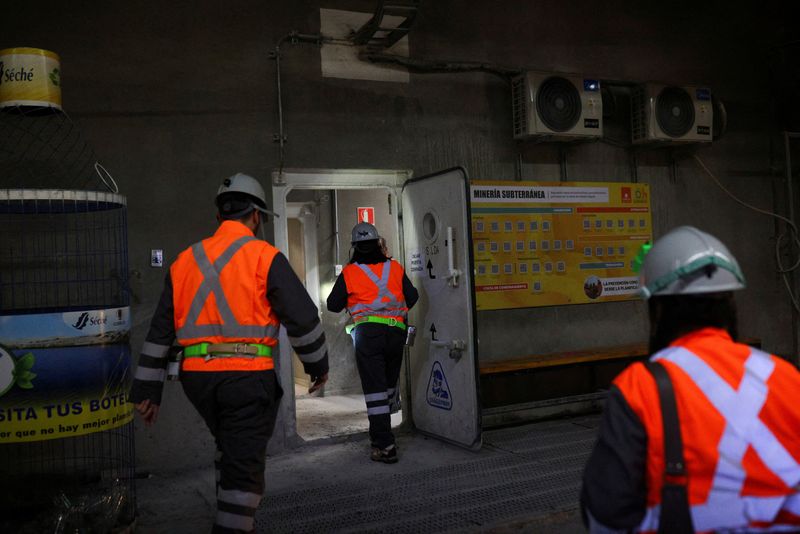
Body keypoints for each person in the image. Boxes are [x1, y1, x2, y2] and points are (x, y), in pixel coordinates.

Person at [130, 173, 329, 534]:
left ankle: (236, 518)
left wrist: (147, 392)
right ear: (255, 216)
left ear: (220, 216)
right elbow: (303, 319)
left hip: (198, 382)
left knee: (231, 448)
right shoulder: (265, 256)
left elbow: (160, 332)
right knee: (244, 472)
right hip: (246, 379)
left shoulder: (184, 261)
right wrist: (317, 365)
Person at [581, 226, 800, 533]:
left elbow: (604, 515)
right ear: (730, 307)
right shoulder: (785, 375)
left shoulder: (639, 387)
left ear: (657, 311)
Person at [326, 222, 418, 463]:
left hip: (368, 335)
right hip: (396, 332)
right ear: (378, 243)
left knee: (375, 391)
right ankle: (382, 434)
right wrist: (395, 312)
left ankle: (385, 445)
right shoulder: (395, 267)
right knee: (387, 387)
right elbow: (413, 296)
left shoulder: (350, 272)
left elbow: (333, 304)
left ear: (354, 247)